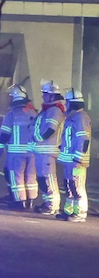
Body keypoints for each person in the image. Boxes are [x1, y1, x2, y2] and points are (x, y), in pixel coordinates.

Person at [0, 84, 38, 211]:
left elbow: (5, 134)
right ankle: (30, 201)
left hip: (16, 152)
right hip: (31, 151)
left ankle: (20, 203)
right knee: (30, 177)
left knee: (16, 177)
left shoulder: (11, 114)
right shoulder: (33, 112)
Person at [32, 80, 65, 215]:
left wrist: (39, 139)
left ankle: (52, 205)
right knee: (42, 178)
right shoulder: (48, 110)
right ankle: (47, 202)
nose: (43, 96)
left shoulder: (54, 111)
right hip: (42, 150)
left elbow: (51, 129)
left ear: (52, 96)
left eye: (45, 94)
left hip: (48, 150)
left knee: (48, 178)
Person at [58, 88, 90, 222]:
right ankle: (69, 211)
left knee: (77, 186)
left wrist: (78, 158)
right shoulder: (72, 118)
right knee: (69, 185)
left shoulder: (80, 118)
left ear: (72, 103)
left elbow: (83, 139)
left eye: (67, 102)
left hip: (76, 161)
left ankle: (80, 213)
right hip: (69, 160)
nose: (65, 104)